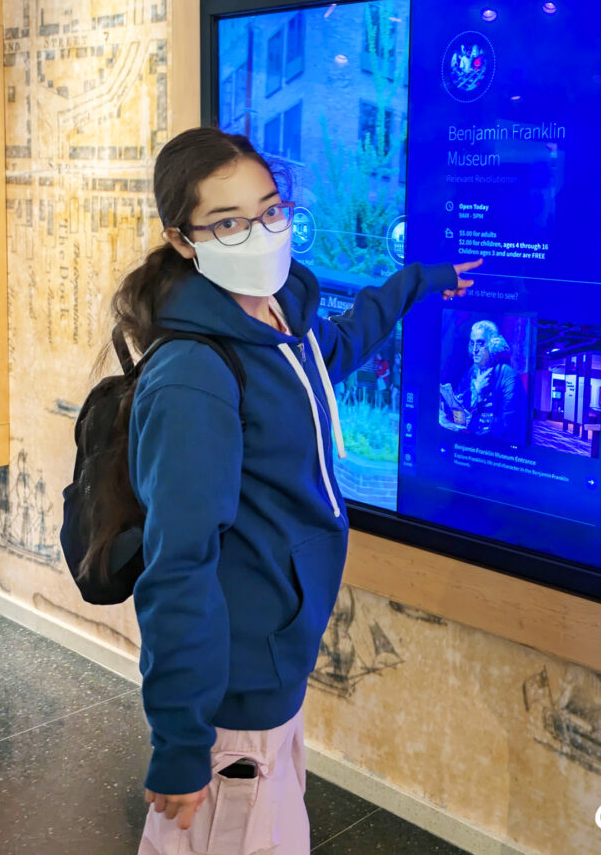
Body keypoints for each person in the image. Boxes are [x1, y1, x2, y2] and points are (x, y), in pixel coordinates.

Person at [89, 126, 481, 855]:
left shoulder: (274, 318)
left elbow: (331, 351)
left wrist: (416, 283)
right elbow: (179, 565)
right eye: (229, 221)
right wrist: (180, 743)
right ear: (183, 240)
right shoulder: (195, 374)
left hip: (273, 654)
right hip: (232, 681)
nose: (262, 231)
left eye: (271, 209)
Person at [440, 320, 527, 443]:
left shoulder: (508, 377)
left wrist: (478, 397)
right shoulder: (471, 372)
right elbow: (457, 412)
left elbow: (507, 429)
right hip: (468, 445)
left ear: (493, 344)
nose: (474, 349)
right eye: (472, 343)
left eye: (480, 343)